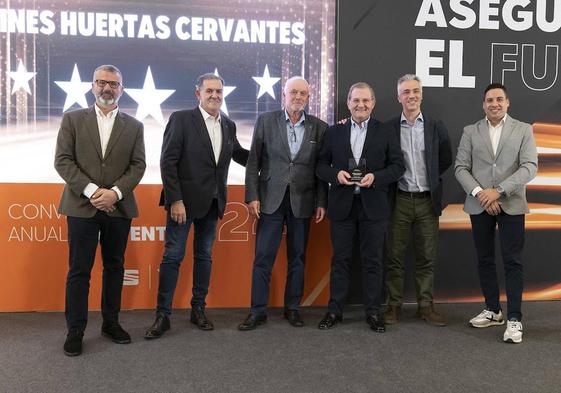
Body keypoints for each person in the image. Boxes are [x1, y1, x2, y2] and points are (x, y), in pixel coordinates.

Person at [145, 73, 248, 339]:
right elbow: (168, 162)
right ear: (198, 93)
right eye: (209, 91)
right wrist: (175, 200)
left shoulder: (228, 124)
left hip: (213, 203)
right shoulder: (181, 119)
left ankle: (198, 309)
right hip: (183, 204)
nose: (215, 96)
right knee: (173, 257)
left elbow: (238, 154)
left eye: (219, 92)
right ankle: (163, 315)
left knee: (204, 257)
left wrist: (270, 153)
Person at [54, 64, 146, 356]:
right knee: (79, 271)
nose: (107, 88)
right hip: (82, 206)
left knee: (115, 268)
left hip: (118, 209)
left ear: (121, 88)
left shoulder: (135, 126)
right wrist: (94, 191)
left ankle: (111, 323)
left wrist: (115, 193)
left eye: (113, 84)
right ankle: (75, 330)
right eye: (101, 83)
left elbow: (138, 165)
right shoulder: (72, 120)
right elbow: (63, 160)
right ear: (92, 86)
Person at [238, 77, 328, 331]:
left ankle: (293, 308)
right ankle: (257, 311)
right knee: (263, 258)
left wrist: (322, 201)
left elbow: (321, 168)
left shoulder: (319, 128)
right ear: (284, 95)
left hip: (303, 201)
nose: (298, 97)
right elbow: (253, 161)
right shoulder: (265, 121)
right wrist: (252, 195)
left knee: (298, 257)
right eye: (293, 92)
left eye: (303, 93)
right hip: (269, 200)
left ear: (309, 97)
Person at [316, 82, 404, 332]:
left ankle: (374, 312)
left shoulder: (385, 131)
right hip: (343, 206)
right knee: (340, 260)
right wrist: (336, 175)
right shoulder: (334, 132)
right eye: (356, 100)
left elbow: (398, 167)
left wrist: (376, 177)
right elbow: (320, 165)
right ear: (348, 103)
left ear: (373, 104)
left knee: (373, 261)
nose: (361, 105)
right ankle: (335, 311)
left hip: (374, 206)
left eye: (366, 100)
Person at [455, 83, 538, 343]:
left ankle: (514, 319)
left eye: (499, 99)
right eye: (490, 100)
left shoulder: (523, 129)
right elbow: (460, 168)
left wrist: (499, 191)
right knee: (485, 259)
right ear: (483, 104)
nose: (495, 104)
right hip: (479, 204)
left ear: (507, 102)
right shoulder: (471, 131)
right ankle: (493, 310)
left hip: (511, 203)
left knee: (513, 261)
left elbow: (529, 167)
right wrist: (482, 193)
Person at [384, 74, 452, 326]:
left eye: (415, 91)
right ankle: (393, 306)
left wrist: (430, 179)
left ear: (421, 94)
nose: (411, 96)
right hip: (398, 200)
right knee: (395, 256)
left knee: (427, 257)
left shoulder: (436, 127)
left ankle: (426, 306)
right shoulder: (388, 127)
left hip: (427, 201)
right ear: (398, 96)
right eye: (405, 92)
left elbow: (445, 160)